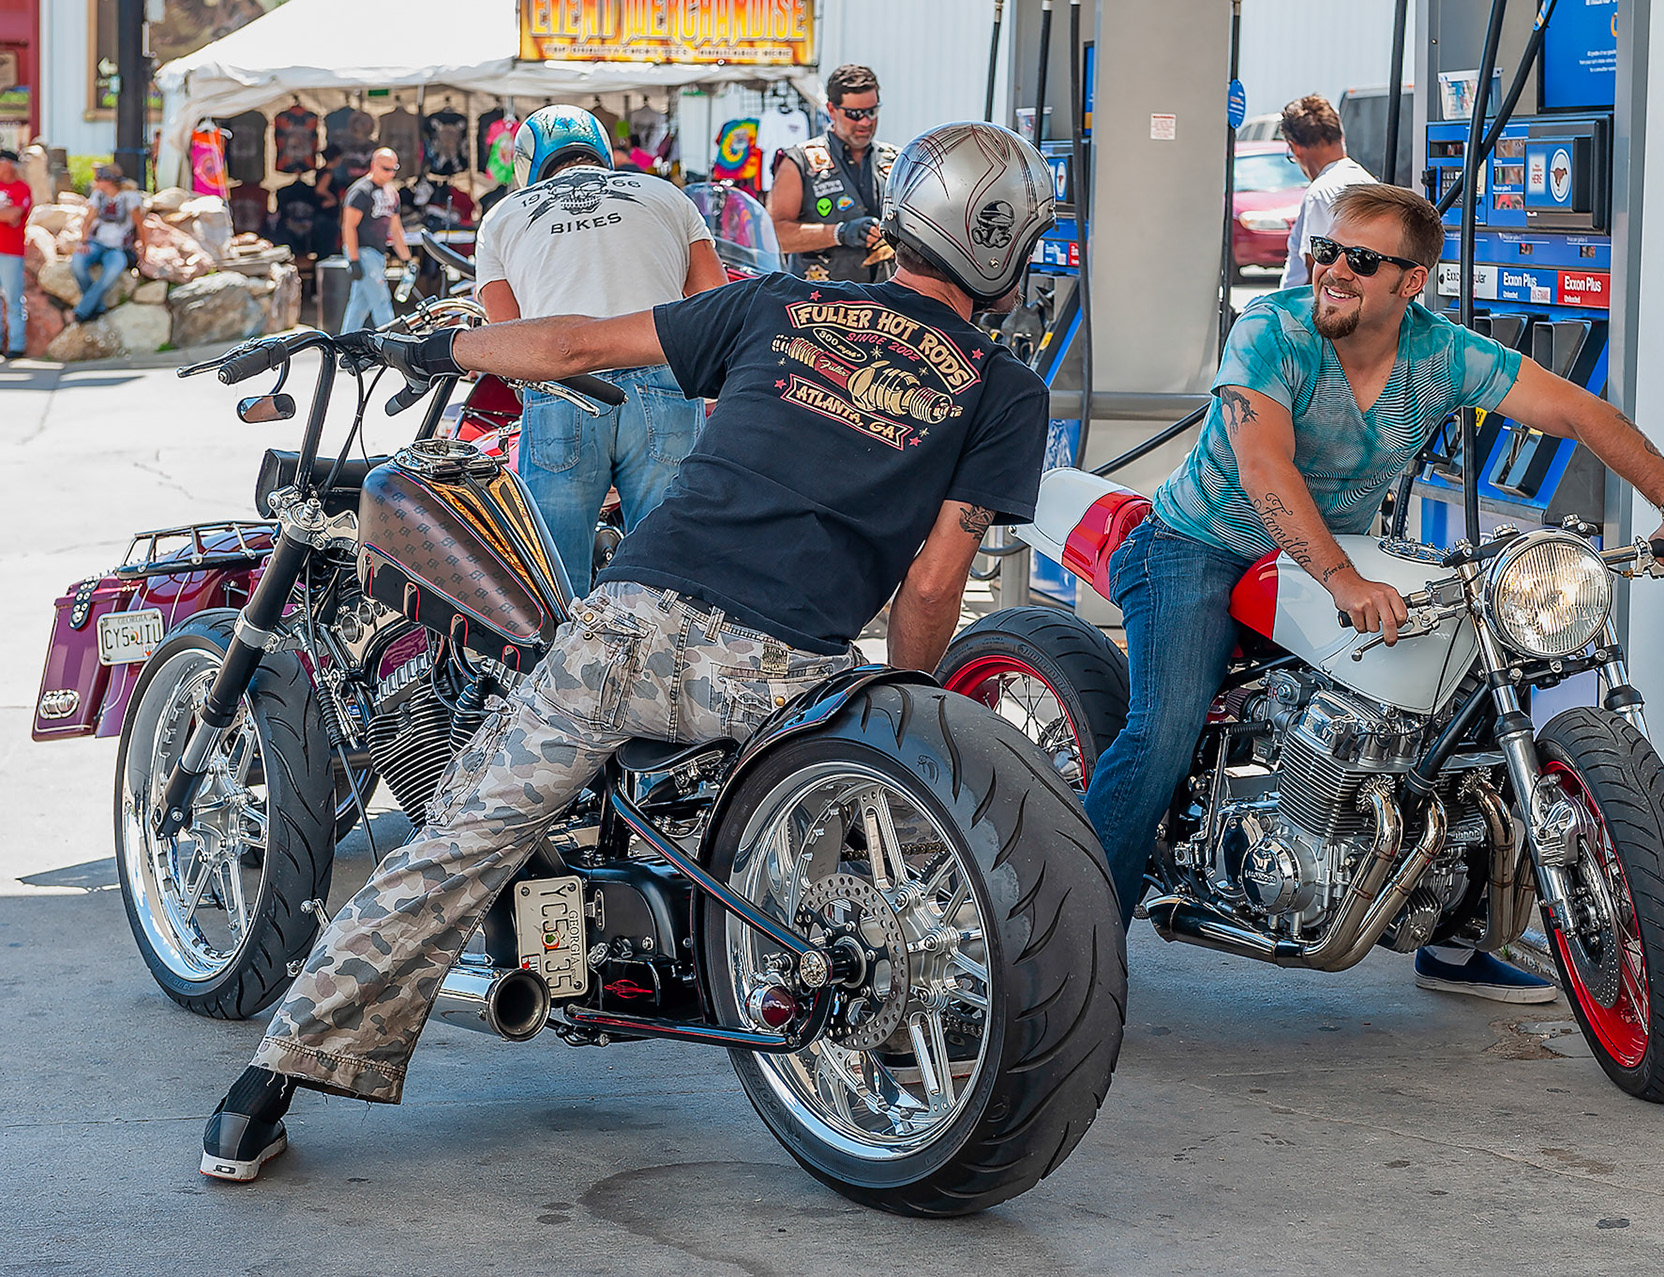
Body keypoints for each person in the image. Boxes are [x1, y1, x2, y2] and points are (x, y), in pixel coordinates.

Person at [199, 121, 1058, 1183]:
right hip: (792, 671)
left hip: (635, 631)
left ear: (899, 219)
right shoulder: (1007, 391)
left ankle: (266, 1086)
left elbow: (570, 347)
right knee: (846, 827)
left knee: (466, 835)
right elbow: (934, 584)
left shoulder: (780, 303)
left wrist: (433, 347)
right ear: (1010, 256)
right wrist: (908, 728)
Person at [1083, 183, 1664, 1003]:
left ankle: (1456, 930)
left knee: (1455, 714)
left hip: (1338, 548)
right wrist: (1344, 579)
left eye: (1360, 258)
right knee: (1163, 733)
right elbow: (1262, 467)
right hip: (1196, 545)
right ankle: (1080, 941)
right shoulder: (1272, 331)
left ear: (1411, 282)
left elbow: (1578, 410)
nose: (1332, 270)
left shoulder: (1442, 353)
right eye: (1325, 250)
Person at [474, 105, 728, 593]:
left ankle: (562, 665)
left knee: (554, 582)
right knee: (670, 569)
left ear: (529, 161)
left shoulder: (503, 217)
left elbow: (507, 336)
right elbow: (714, 303)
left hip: (563, 389)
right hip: (664, 375)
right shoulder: (664, 194)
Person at [768, 64, 899, 282]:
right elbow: (775, 235)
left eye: (872, 112)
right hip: (822, 304)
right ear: (831, 110)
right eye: (855, 114)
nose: (866, 122)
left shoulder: (897, 160)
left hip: (885, 302)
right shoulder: (799, 161)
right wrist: (840, 233)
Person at [1277, 95, 1375, 291]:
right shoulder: (1369, 183)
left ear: (1295, 148)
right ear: (1341, 137)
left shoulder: (1320, 193)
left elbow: (1317, 268)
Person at [339, 147, 412, 333]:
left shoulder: (392, 193)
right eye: (385, 169)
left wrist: (407, 259)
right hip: (363, 251)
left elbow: (395, 229)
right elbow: (348, 226)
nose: (389, 173)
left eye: (393, 169)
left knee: (359, 304)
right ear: (373, 165)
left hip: (379, 253)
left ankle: (344, 344)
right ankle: (393, 341)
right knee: (381, 300)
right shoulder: (360, 191)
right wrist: (353, 259)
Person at [70, 163, 144, 322]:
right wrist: (83, 242)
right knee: (77, 263)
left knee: (111, 273)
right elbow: (87, 221)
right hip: (96, 243)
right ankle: (97, 306)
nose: (95, 182)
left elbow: (139, 225)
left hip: (118, 248)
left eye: (98, 178)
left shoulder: (130, 198)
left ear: (108, 181)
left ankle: (82, 311)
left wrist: (144, 248)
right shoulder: (98, 196)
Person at [0, 149, 28, 361]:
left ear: (9, 164)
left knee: (13, 299)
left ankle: (17, 345)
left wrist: (8, 215)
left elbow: (13, 215)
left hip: (11, 251)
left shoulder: (21, 188)